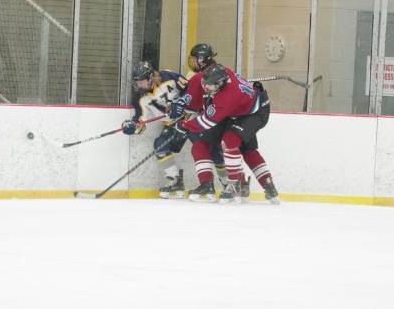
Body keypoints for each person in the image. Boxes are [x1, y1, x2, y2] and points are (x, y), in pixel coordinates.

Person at [172, 62, 280, 204]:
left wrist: (184, 125)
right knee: (200, 145)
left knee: (232, 142)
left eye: (210, 85)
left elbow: (206, 122)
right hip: (237, 110)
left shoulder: (227, 97)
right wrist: (183, 101)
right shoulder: (217, 74)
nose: (205, 87)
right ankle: (206, 186)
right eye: (205, 82)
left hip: (255, 112)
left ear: (221, 83)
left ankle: (238, 185)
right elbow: (198, 80)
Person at [168, 43, 234, 202]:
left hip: (211, 120)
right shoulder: (224, 70)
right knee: (215, 152)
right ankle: (231, 184)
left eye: (195, 58)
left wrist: (179, 105)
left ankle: (207, 186)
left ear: (202, 59)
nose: (193, 62)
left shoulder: (200, 77)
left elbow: (191, 106)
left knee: (200, 146)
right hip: (228, 120)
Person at [120, 61, 190, 199]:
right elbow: (140, 121)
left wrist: (181, 102)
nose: (138, 85)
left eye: (141, 81)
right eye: (137, 82)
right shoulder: (140, 98)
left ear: (151, 77)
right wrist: (132, 126)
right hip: (172, 124)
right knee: (159, 145)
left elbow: (190, 89)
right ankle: (175, 181)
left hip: (190, 117)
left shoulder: (168, 76)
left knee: (207, 147)